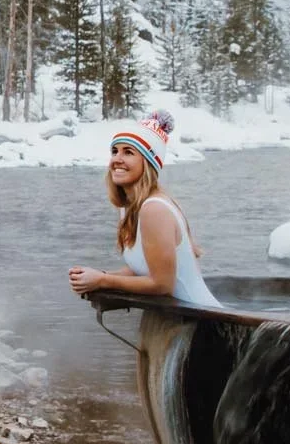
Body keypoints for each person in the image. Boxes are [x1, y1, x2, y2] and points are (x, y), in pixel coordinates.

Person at [67, 109, 219, 307]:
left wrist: (104, 281)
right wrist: (97, 276)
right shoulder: (129, 206)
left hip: (201, 319)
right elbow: (143, 268)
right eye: (115, 151)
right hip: (175, 317)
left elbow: (162, 284)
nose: (117, 159)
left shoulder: (154, 209)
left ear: (148, 163)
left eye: (128, 152)